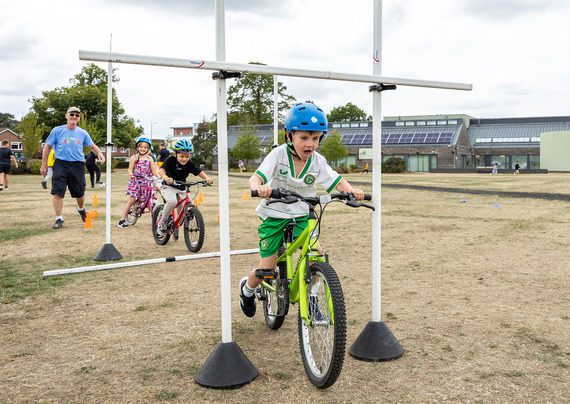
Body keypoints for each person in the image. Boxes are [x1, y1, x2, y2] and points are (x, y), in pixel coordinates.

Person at [238, 102, 365, 318]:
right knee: (267, 270)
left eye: (315, 138)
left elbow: (336, 180)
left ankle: (312, 300)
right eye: (304, 138)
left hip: (302, 215)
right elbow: (256, 177)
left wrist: (352, 192)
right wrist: (259, 188)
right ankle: (247, 290)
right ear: (290, 136)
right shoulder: (278, 155)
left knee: (317, 258)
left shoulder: (317, 161)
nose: (310, 144)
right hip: (274, 215)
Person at [40, 107, 105, 229]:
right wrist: (44, 165)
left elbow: (92, 146)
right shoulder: (57, 131)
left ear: (79, 118)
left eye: (77, 115)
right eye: (72, 114)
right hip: (60, 164)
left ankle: (80, 208)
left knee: (79, 193)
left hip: (77, 165)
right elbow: (47, 147)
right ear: (66, 116)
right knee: (58, 191)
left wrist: (100, 153)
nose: (74, 117)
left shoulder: (82, 133)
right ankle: (59, 218)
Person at [156, 139, 213, 235]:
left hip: (181, 188)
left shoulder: (189, 163)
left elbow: (198, 171)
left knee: (183, 212)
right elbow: (161, 170)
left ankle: (176, 225)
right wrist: (165, 177)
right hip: (169, 186)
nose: (184, 159)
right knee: (172, 201)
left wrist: (207, 178)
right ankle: (163, 221)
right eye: (182, 156)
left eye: (187, 156)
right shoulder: (170, 160)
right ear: (175, 154)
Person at [118, 137, 160, 228]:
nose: (143, 149)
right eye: (141, 147)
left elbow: (153, 170)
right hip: (136, 181)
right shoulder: (134, 158)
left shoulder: (150, 159)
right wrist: (131, 175)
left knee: (149, 198)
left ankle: (154, 221)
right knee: (132, 200)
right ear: (137, 147)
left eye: (145, 147)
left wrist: (160, 177)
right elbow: (130, 169)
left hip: (147, 181)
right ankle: (122, 220)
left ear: (148, 149)